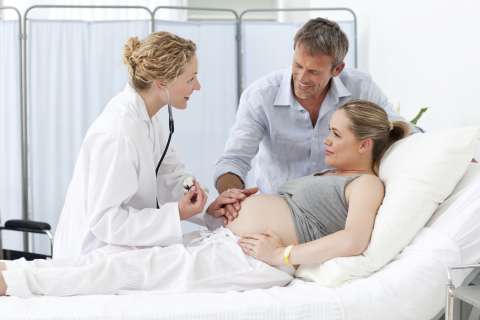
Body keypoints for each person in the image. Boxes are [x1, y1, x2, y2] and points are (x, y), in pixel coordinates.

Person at [0, 100, 410, 297]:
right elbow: (295, 210)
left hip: (250, 258)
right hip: (227, 243)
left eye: (336, 135)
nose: (326, 140)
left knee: (128, 270)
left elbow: (353, 241)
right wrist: (247, 201)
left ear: (366, 144)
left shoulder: (367, 185)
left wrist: (283, 255)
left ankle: (11, 282)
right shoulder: (332, 174)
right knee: (116, 255)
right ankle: (13, 272)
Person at [52, 31, 250, 259]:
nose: (198, 86)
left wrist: (207, 207)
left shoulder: (148, 118)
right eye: (190, 79)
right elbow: (106, 220)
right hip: (92, 255)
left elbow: (171, 174)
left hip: (121, 251)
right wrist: (176, 213)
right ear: (161, 83)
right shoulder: (119, 133)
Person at [213, 17, 415, 224]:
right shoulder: (260, 96)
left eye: (313, 72)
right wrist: (232, 195)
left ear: (337, 69)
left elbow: (399, 128)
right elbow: (234, 159)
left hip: (337, 209)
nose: (301, 77)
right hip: (280, 209)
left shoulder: (360, 87)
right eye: (298, 65)